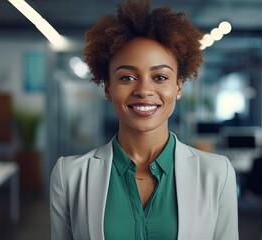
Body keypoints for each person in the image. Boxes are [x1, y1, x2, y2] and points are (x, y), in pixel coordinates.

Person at [50, 1, 239, 239]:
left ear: (178, 87)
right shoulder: (69, 176)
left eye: (160, 77)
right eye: (127, 77)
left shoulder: (217, 174)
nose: (144, 90)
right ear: (107, 88)